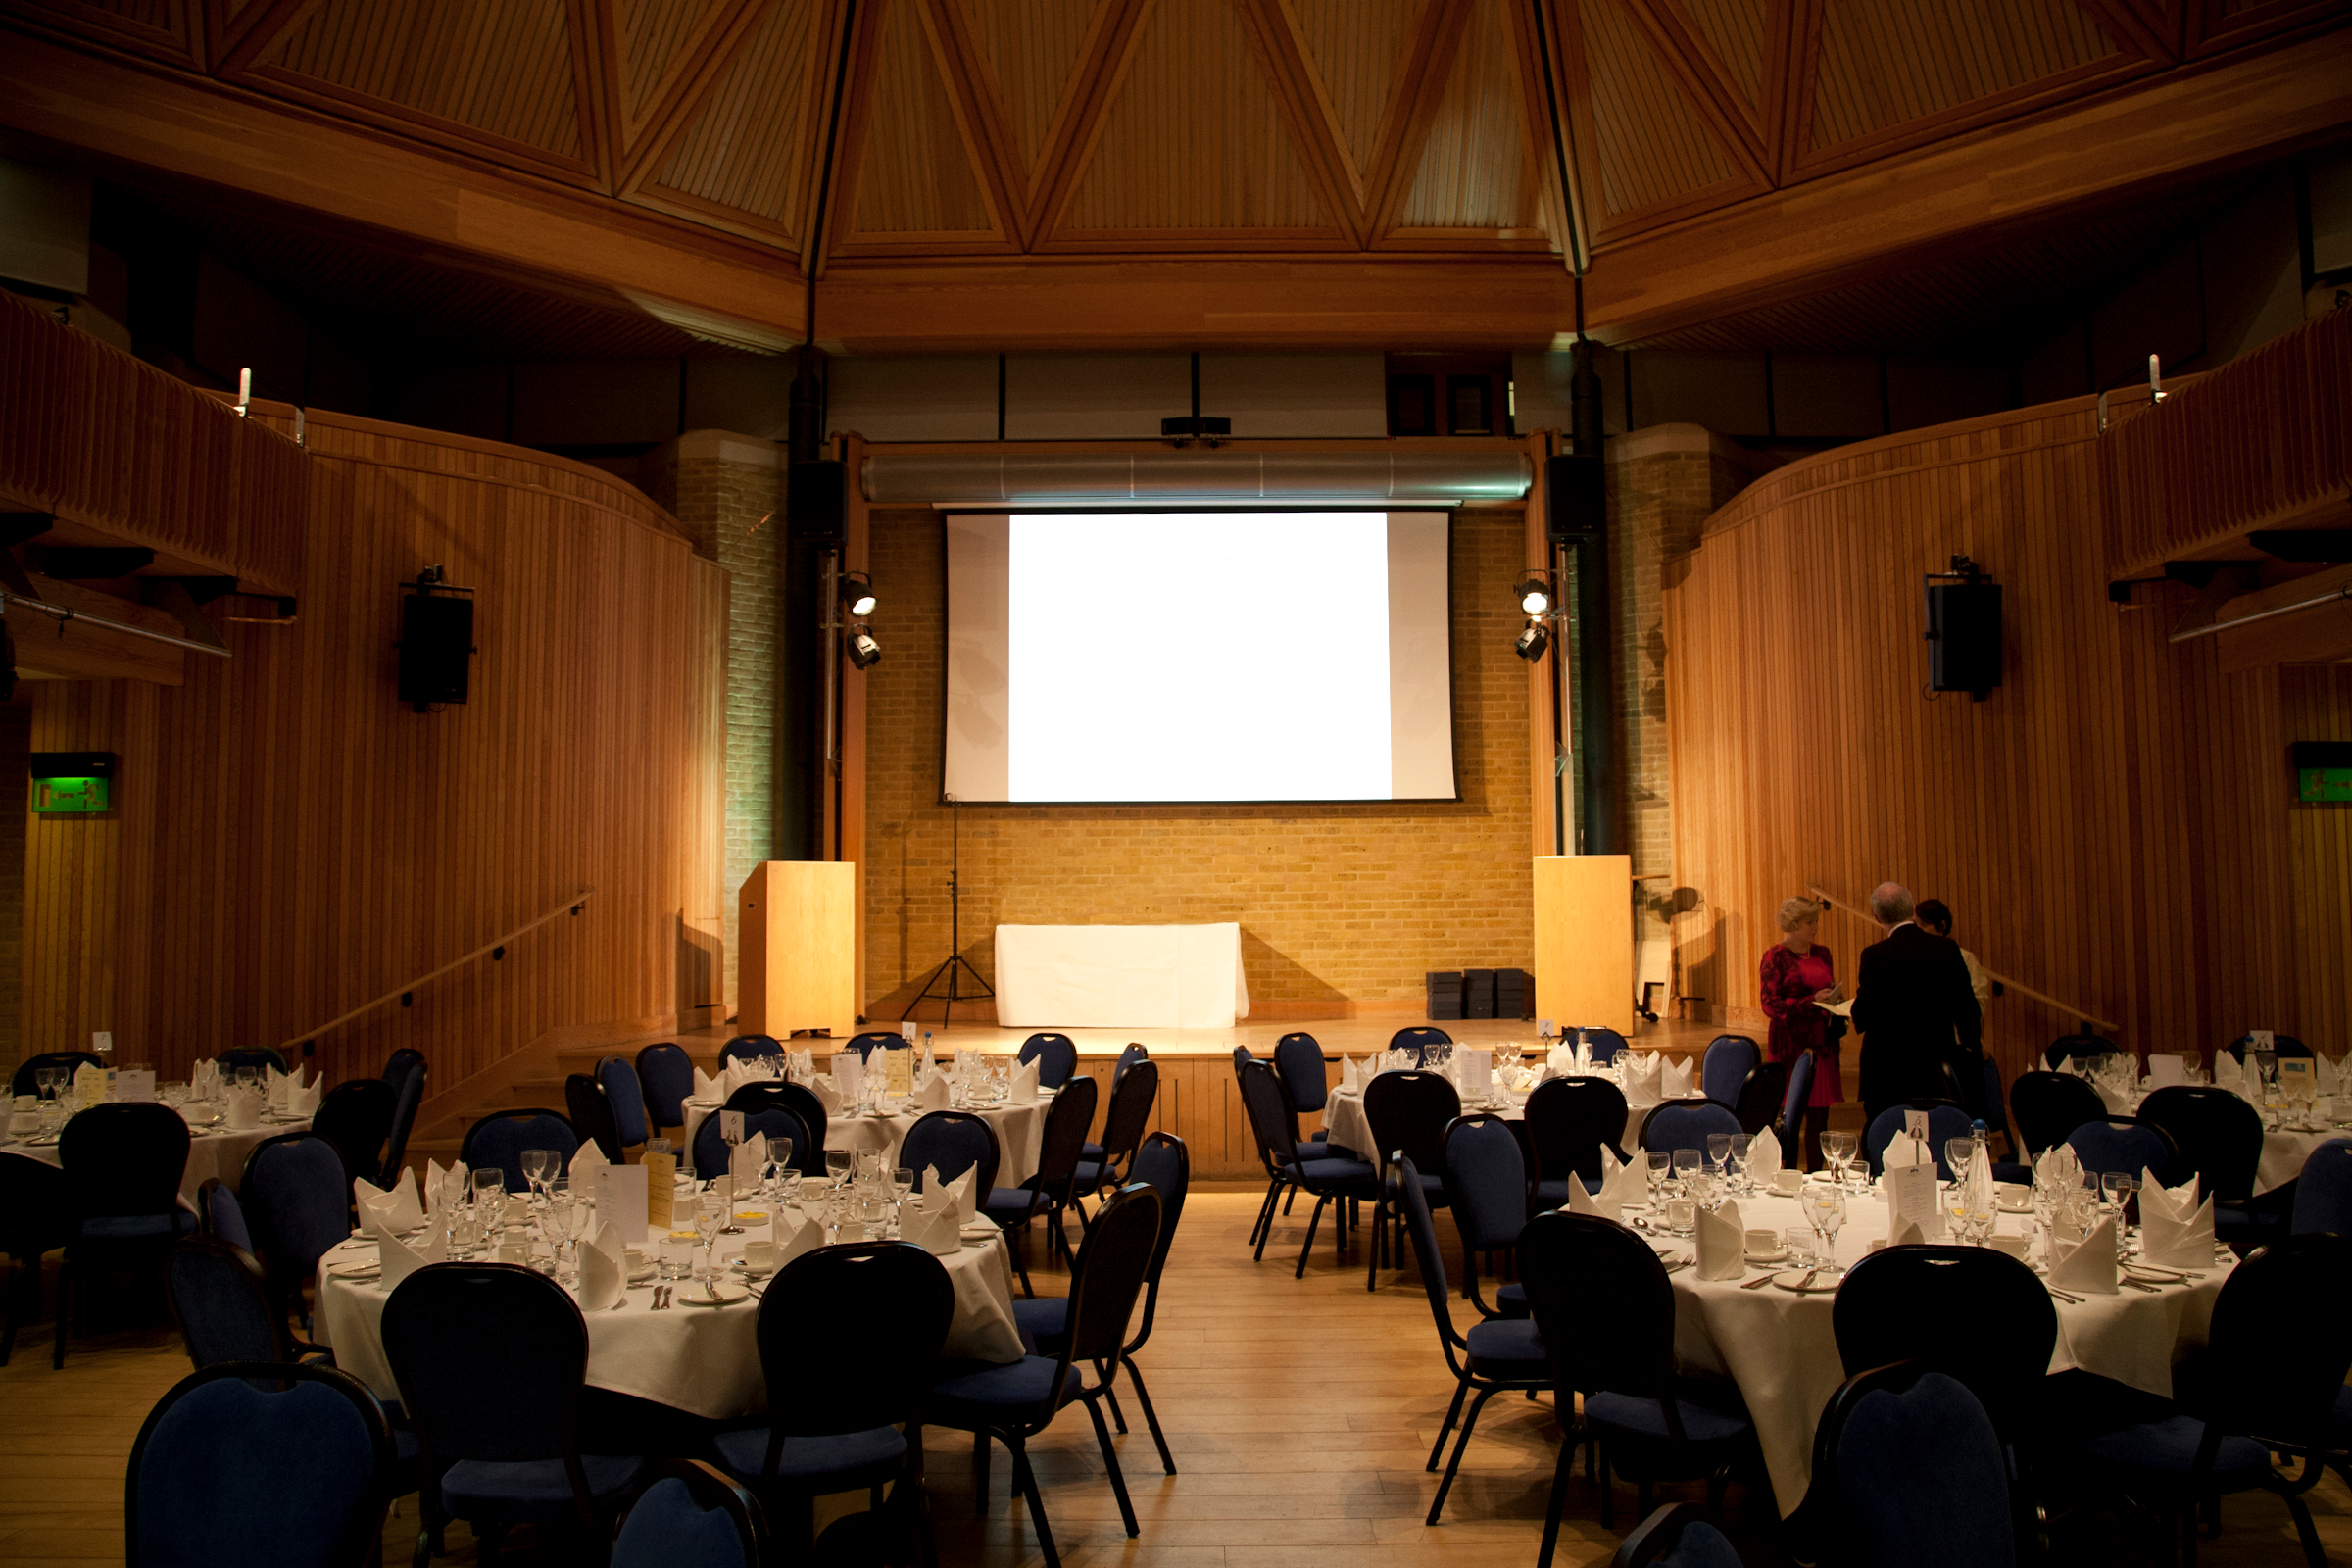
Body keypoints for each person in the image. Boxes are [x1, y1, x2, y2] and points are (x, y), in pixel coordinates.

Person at [1850, 881, 1983, 1124]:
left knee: (1891, 1141)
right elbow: (1967, 1008)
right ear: (1912, 909)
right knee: (1936, 1138)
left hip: (1888, 1072)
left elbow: (1864, 1014)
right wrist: (1972, 1048)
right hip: (1937, 1068)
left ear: (1876, 916)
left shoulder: (1875, 955)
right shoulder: (1947, 949)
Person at [1759, 895, 1841, 1170]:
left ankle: (1817, 1174)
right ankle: (1788, 1173)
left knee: (1820, 1118)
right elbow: (1770, 1005)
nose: (1815, 927)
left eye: (1816, 921)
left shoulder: (1822, 953)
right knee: (1790, 1117)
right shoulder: (1776, 956)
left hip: (1821, 1041)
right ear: (1793, 924)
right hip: (1791, 1044)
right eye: (1809, 922)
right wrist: (1810, 1001)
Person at [1915, 899, 1992, 1014]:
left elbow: (1977, 1004)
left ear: (1942, 926)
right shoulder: (1910, 958)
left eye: (1924, 924)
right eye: (1916, 926)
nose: (1919, 931)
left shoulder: (1964, 958)